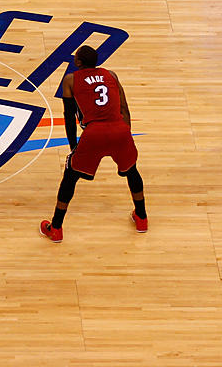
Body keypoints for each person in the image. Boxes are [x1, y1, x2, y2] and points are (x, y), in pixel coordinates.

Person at [40, 45, 147, 243]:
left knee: (70, 177)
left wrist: (73, 146)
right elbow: (124, 107)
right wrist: (126, 134)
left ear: (78, 62)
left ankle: (55, 228)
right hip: (119, 129)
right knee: (132, 170)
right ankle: (141, 218)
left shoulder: (70, 80)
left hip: (94, 133)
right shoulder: (111, 75)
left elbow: (69, 116)